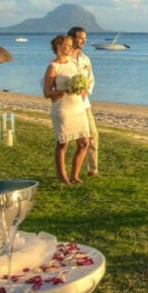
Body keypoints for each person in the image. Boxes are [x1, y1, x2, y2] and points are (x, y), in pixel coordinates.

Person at [42, 34, 90, 184]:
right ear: (58, 47)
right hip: (63, 108)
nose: (69, 49)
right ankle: (63, 177)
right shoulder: (53, 66)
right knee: (63, 143)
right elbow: (47, 93)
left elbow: (80, 81)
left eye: (70, 46)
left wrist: (82, 87)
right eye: (66, 46)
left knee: (84, 143)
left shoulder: (72, 64)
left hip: (77, 107)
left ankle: (74, 176)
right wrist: (65, 91)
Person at [68, 26, 99, 176]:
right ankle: (65, 173)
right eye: (80, 38)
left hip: (84, 104)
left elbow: (90, 79)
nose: (83, 41)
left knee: (93, 135)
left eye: (84, 39)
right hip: (68, 105)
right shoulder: (63, 59)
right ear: (71, 38)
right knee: (66, 141)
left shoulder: (85, 59)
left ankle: (92, 170)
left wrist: (86, 90)